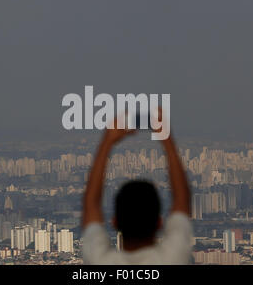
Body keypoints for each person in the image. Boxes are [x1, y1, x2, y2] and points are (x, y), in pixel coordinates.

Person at [82, 111, 192, 264]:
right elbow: (182, 199)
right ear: (159, 223)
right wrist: (166, 138)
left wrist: (107, 141)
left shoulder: (101, 261)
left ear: (114, 222)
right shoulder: (172, 258)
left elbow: (91, 206)